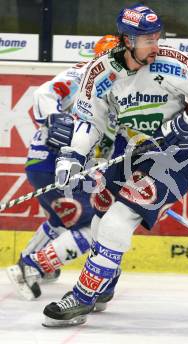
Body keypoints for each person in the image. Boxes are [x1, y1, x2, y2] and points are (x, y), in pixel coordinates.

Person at [42, 4, 188, 327]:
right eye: (147, 40)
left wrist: (187, 124)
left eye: (157, 37)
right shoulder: (100, 72)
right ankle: (104, 286)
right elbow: (90, 121)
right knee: (101, 216)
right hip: (128, 152)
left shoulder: (176, 63)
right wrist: (72, 155)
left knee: (117, 222)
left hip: (172, 156)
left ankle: (83, 296)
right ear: (127, 40)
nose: (155, 45)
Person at [6, 35, 120, 303]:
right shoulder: (85, 74)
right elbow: (45, 92)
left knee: (62, 219)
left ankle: (30, 262)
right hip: (53, 162)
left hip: (56, 165)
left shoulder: (121, 89)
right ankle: (30, 267)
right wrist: (54, 118)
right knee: (93, 226)